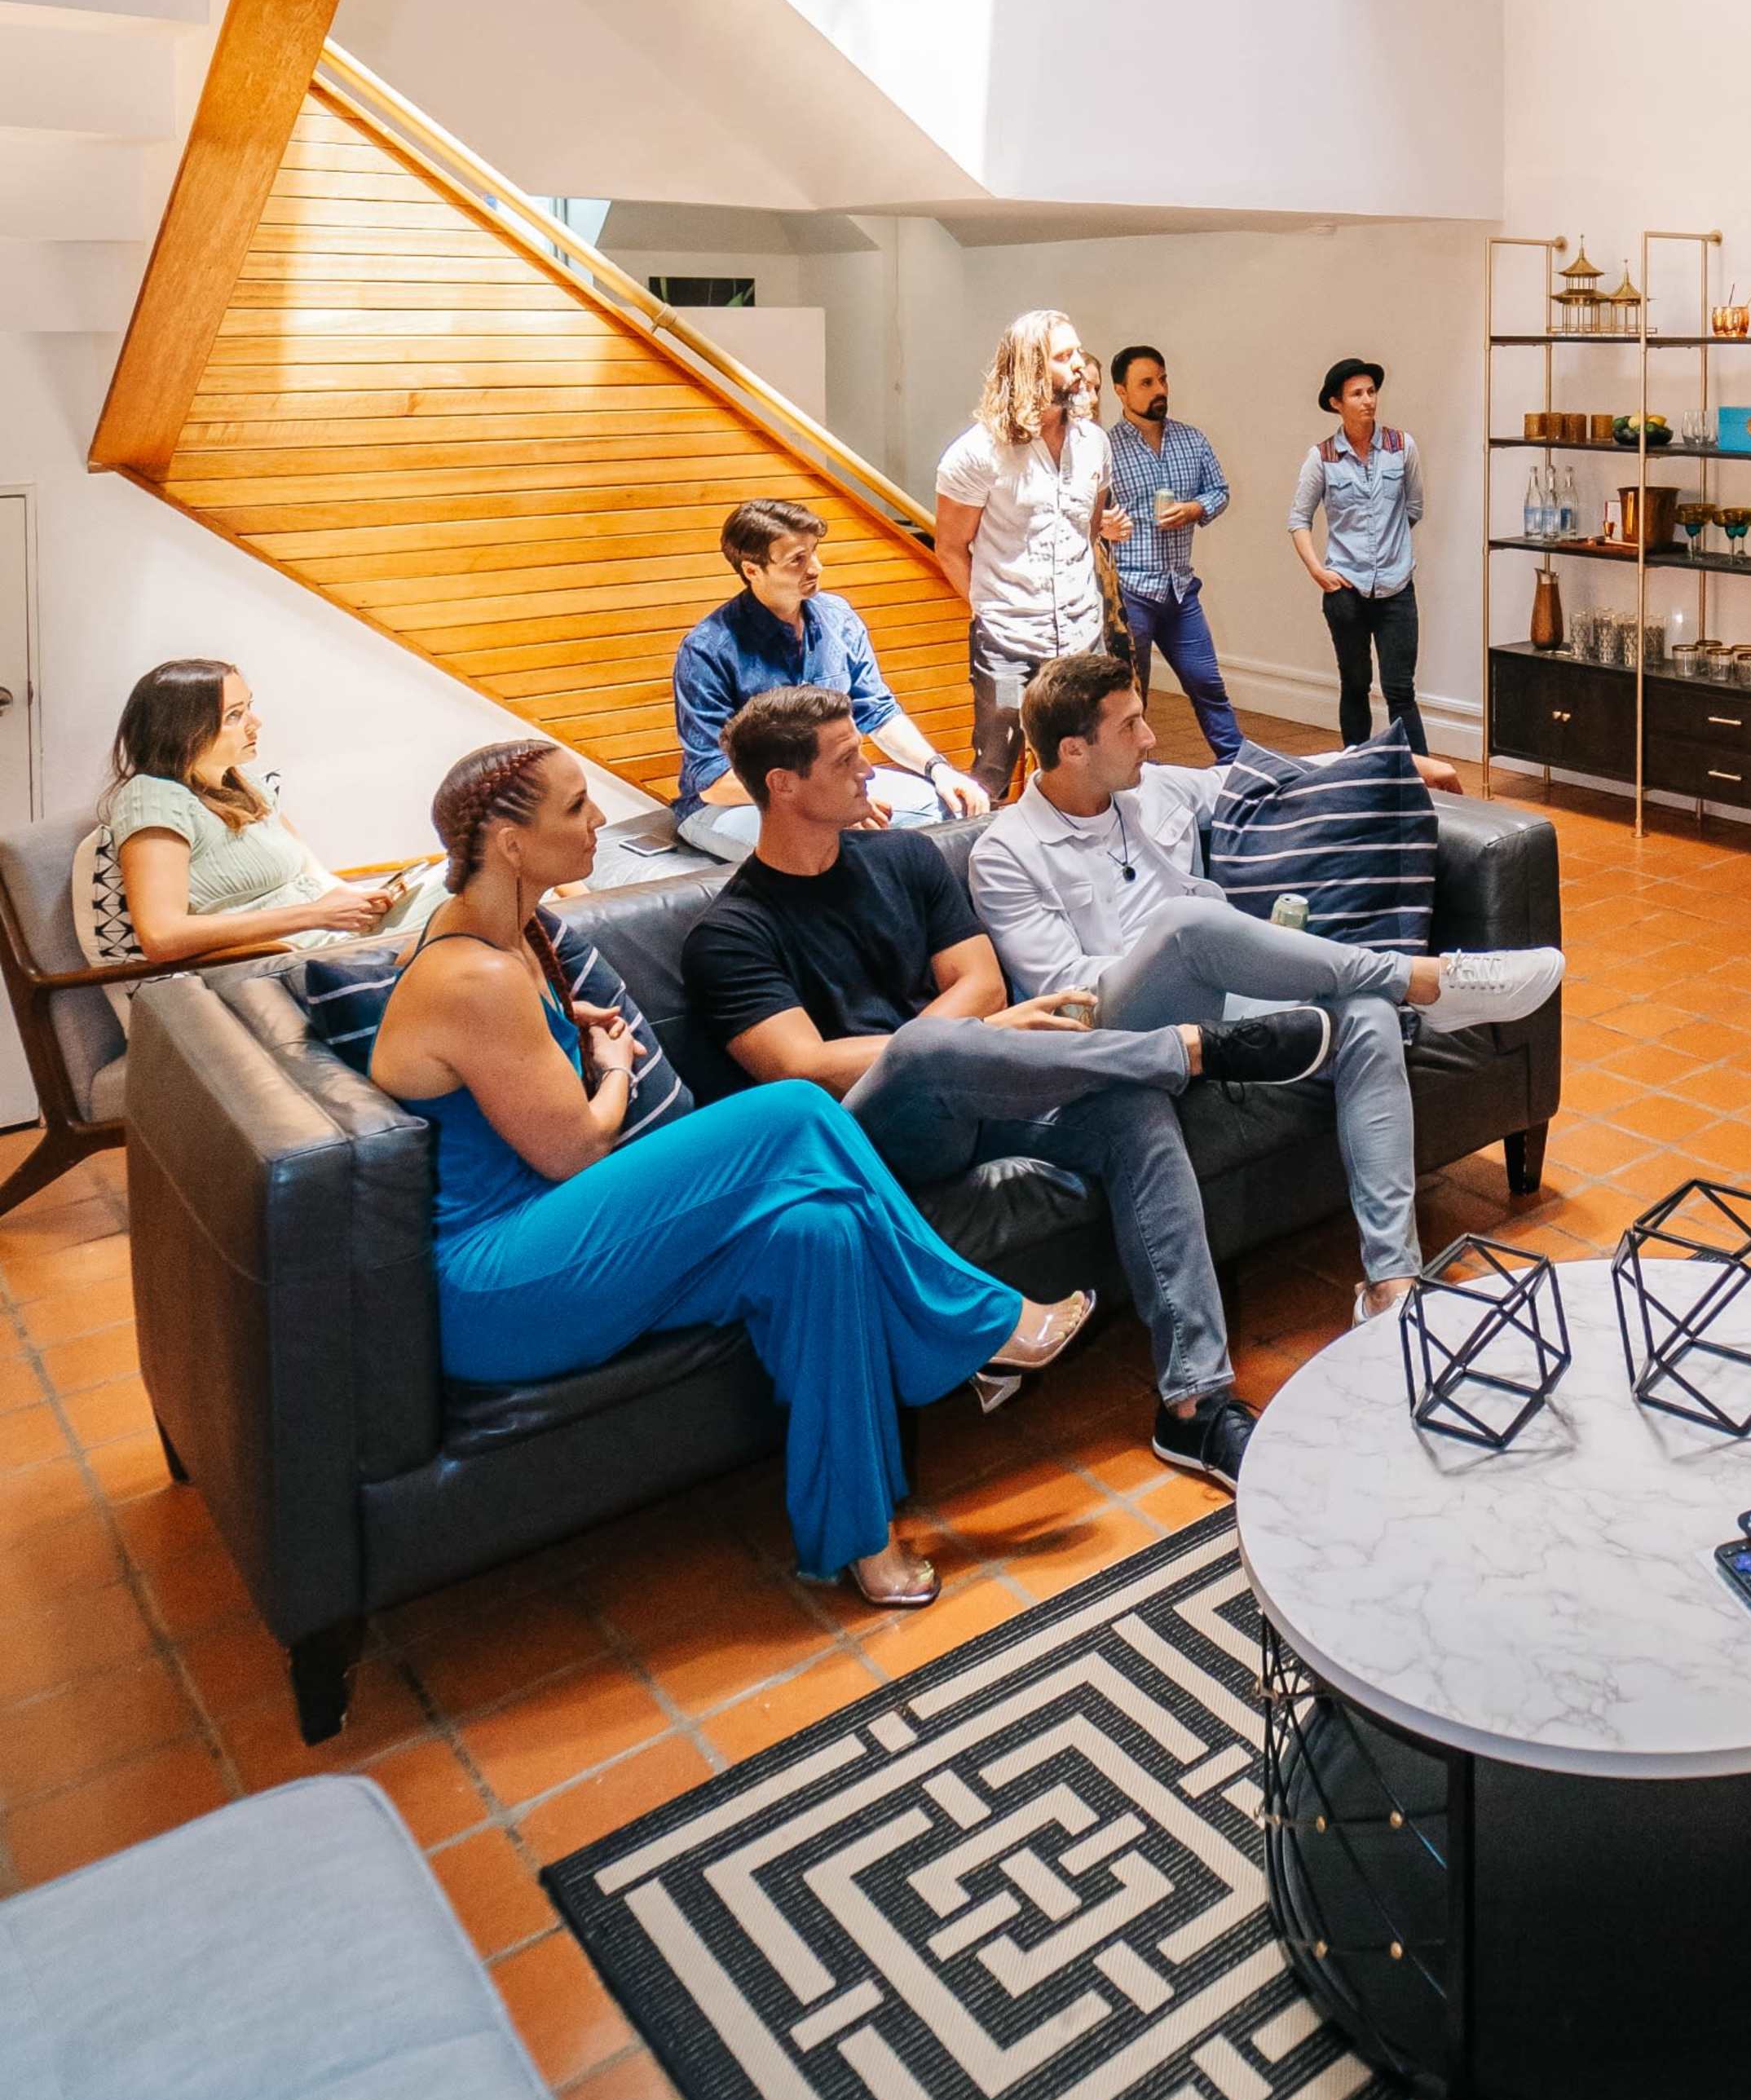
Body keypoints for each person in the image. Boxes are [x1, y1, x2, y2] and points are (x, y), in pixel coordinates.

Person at [370, 731, 1093, 1613]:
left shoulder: (519, 933)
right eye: (576, 807)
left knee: (815, 1233)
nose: (600, 817)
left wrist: (580, 1041)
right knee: (793, 1112)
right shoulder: (470, 972)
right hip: (501, 1283)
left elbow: (529, 1089)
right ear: (512, 844)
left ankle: (854, 1540)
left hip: (557, 1237)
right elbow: (577, 1148)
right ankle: (981, 1321)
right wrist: (610, 1070)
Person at [678, 686, 1325, 1484]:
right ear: (782, 785)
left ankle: (1194, 1405)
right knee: (921, 1051)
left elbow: (981, 982)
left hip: (979, 1092)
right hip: (865, 1138)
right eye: (846, 759)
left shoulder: (906, 858)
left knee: (1131, 1109)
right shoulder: (731, 932)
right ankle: (1192, 1048)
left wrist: (970, 1039)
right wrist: (962, 1038)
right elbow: (802, 1068)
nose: (868, 770)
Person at [970, 648, 1567, 1324]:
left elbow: (1254, 776)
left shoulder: (1151, 789)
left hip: (1223, 1010)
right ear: (1074, 749)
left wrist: (1387, 762)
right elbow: (1069, 995)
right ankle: (1423, 979)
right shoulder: (1006, 852)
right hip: (1122, 1035)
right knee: (1190, 923)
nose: (1152, 737)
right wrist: (1180, 953)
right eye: (1131, 725)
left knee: (1366, 1015)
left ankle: (1391, 1283)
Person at [672, 499, 982, 862]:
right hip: (735, 801)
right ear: (753, 570)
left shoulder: (838, 617)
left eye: (814, 553)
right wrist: (826, 803)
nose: (815, 568)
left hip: (831, 784)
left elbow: (878, 711)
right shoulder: (707, 648)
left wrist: (939, 769)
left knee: (947, 806)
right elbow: (711, 782)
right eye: (797, 561)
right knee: (830, 839)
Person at [95, 659, 435, 964]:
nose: (255, 723)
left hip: (330, 938)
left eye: (249, 708)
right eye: (234, 716)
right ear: (181, 731)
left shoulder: (249, 786)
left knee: (464, 883)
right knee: (461, 926)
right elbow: (161, 937)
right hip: (279, 960)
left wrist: (358, 900)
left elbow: (314, 876)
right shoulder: (154, 798)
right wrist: (314, 915)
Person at [935, 312, 1122, 790]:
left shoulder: (1095, 443)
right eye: (1065, 357)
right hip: (1008, 646)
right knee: (995, 772)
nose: (1080, 365)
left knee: (1088, 766)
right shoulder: (977, 453)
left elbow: (1087, 528)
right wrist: (990, 610)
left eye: (1078, 352)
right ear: (1029, 369)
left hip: (1083, 640)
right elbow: (951, 549)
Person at [1105, 347, 1242, 758]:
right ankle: (1134, 779)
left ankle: (1240, 769)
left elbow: (1220, 491)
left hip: (1180, 590)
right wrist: (1105, 525)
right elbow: (1087, 514)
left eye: (1162, 379)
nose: (1160, 390)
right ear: (1120, 391)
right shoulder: (1106, 448)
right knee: (1131, 697)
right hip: (1131, 591)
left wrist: (1197, 508)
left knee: (1207, 683)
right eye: (1146, 383)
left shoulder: (1191, 439)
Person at [1290, 358, 1427, 748]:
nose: (1368, 400)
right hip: (1344, 591)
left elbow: (1413, 509)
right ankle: (1357, 772)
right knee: (1354, 685)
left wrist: (1389, 547)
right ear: (1337, 403)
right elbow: (1299, 520)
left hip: (1397, 589)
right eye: (1357, 394)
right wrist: (1318, 571)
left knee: (1401, 690)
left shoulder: (1402, 447)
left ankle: (1423, 784)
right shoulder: (1322, 457)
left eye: (1371, 392)